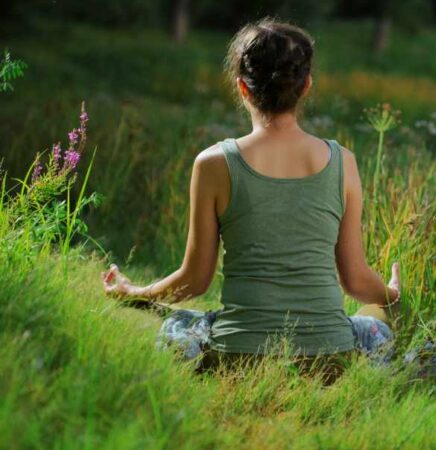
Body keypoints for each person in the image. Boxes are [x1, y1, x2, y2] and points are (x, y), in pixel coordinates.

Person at [101, 18, 401, 382]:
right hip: (330, 361)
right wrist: (393, 293)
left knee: (181, 323)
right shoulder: (343, 163)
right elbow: (355, 281)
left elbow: (195, 281)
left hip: (236, 358)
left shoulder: (212, 164)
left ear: (242, 88)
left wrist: (136, 291)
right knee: (375, 313)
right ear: (306, 86)